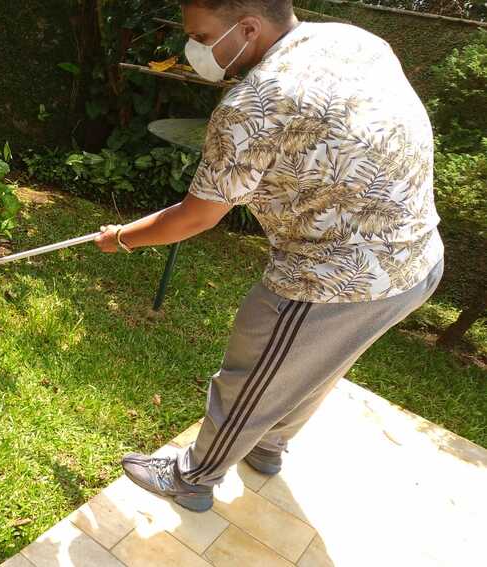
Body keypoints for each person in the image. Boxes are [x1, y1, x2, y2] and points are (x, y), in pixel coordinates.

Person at [95, 0, 444, 513]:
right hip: (418, 259)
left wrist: (122, 237)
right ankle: (268, 446)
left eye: (199, 35)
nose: (192, 48)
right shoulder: (351, 39)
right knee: (320, 364)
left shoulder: (253, 105)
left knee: (253, 370)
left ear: (248, 27)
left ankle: (194, 477)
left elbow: (196, 217)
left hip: (336, 275)